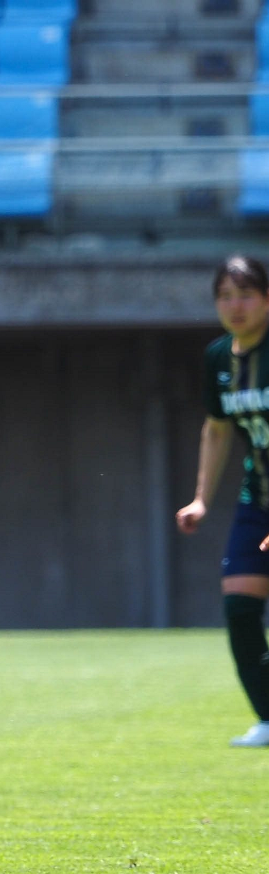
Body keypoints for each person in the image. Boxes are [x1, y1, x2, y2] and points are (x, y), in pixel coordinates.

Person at [176, 254, 269, 748]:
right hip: (258, 498)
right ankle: (268, 717)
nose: (235, 305)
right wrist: (200, 500)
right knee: (239, 606)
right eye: (225, 296)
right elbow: (217, 430)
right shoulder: (219, 358)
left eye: (246, 294)